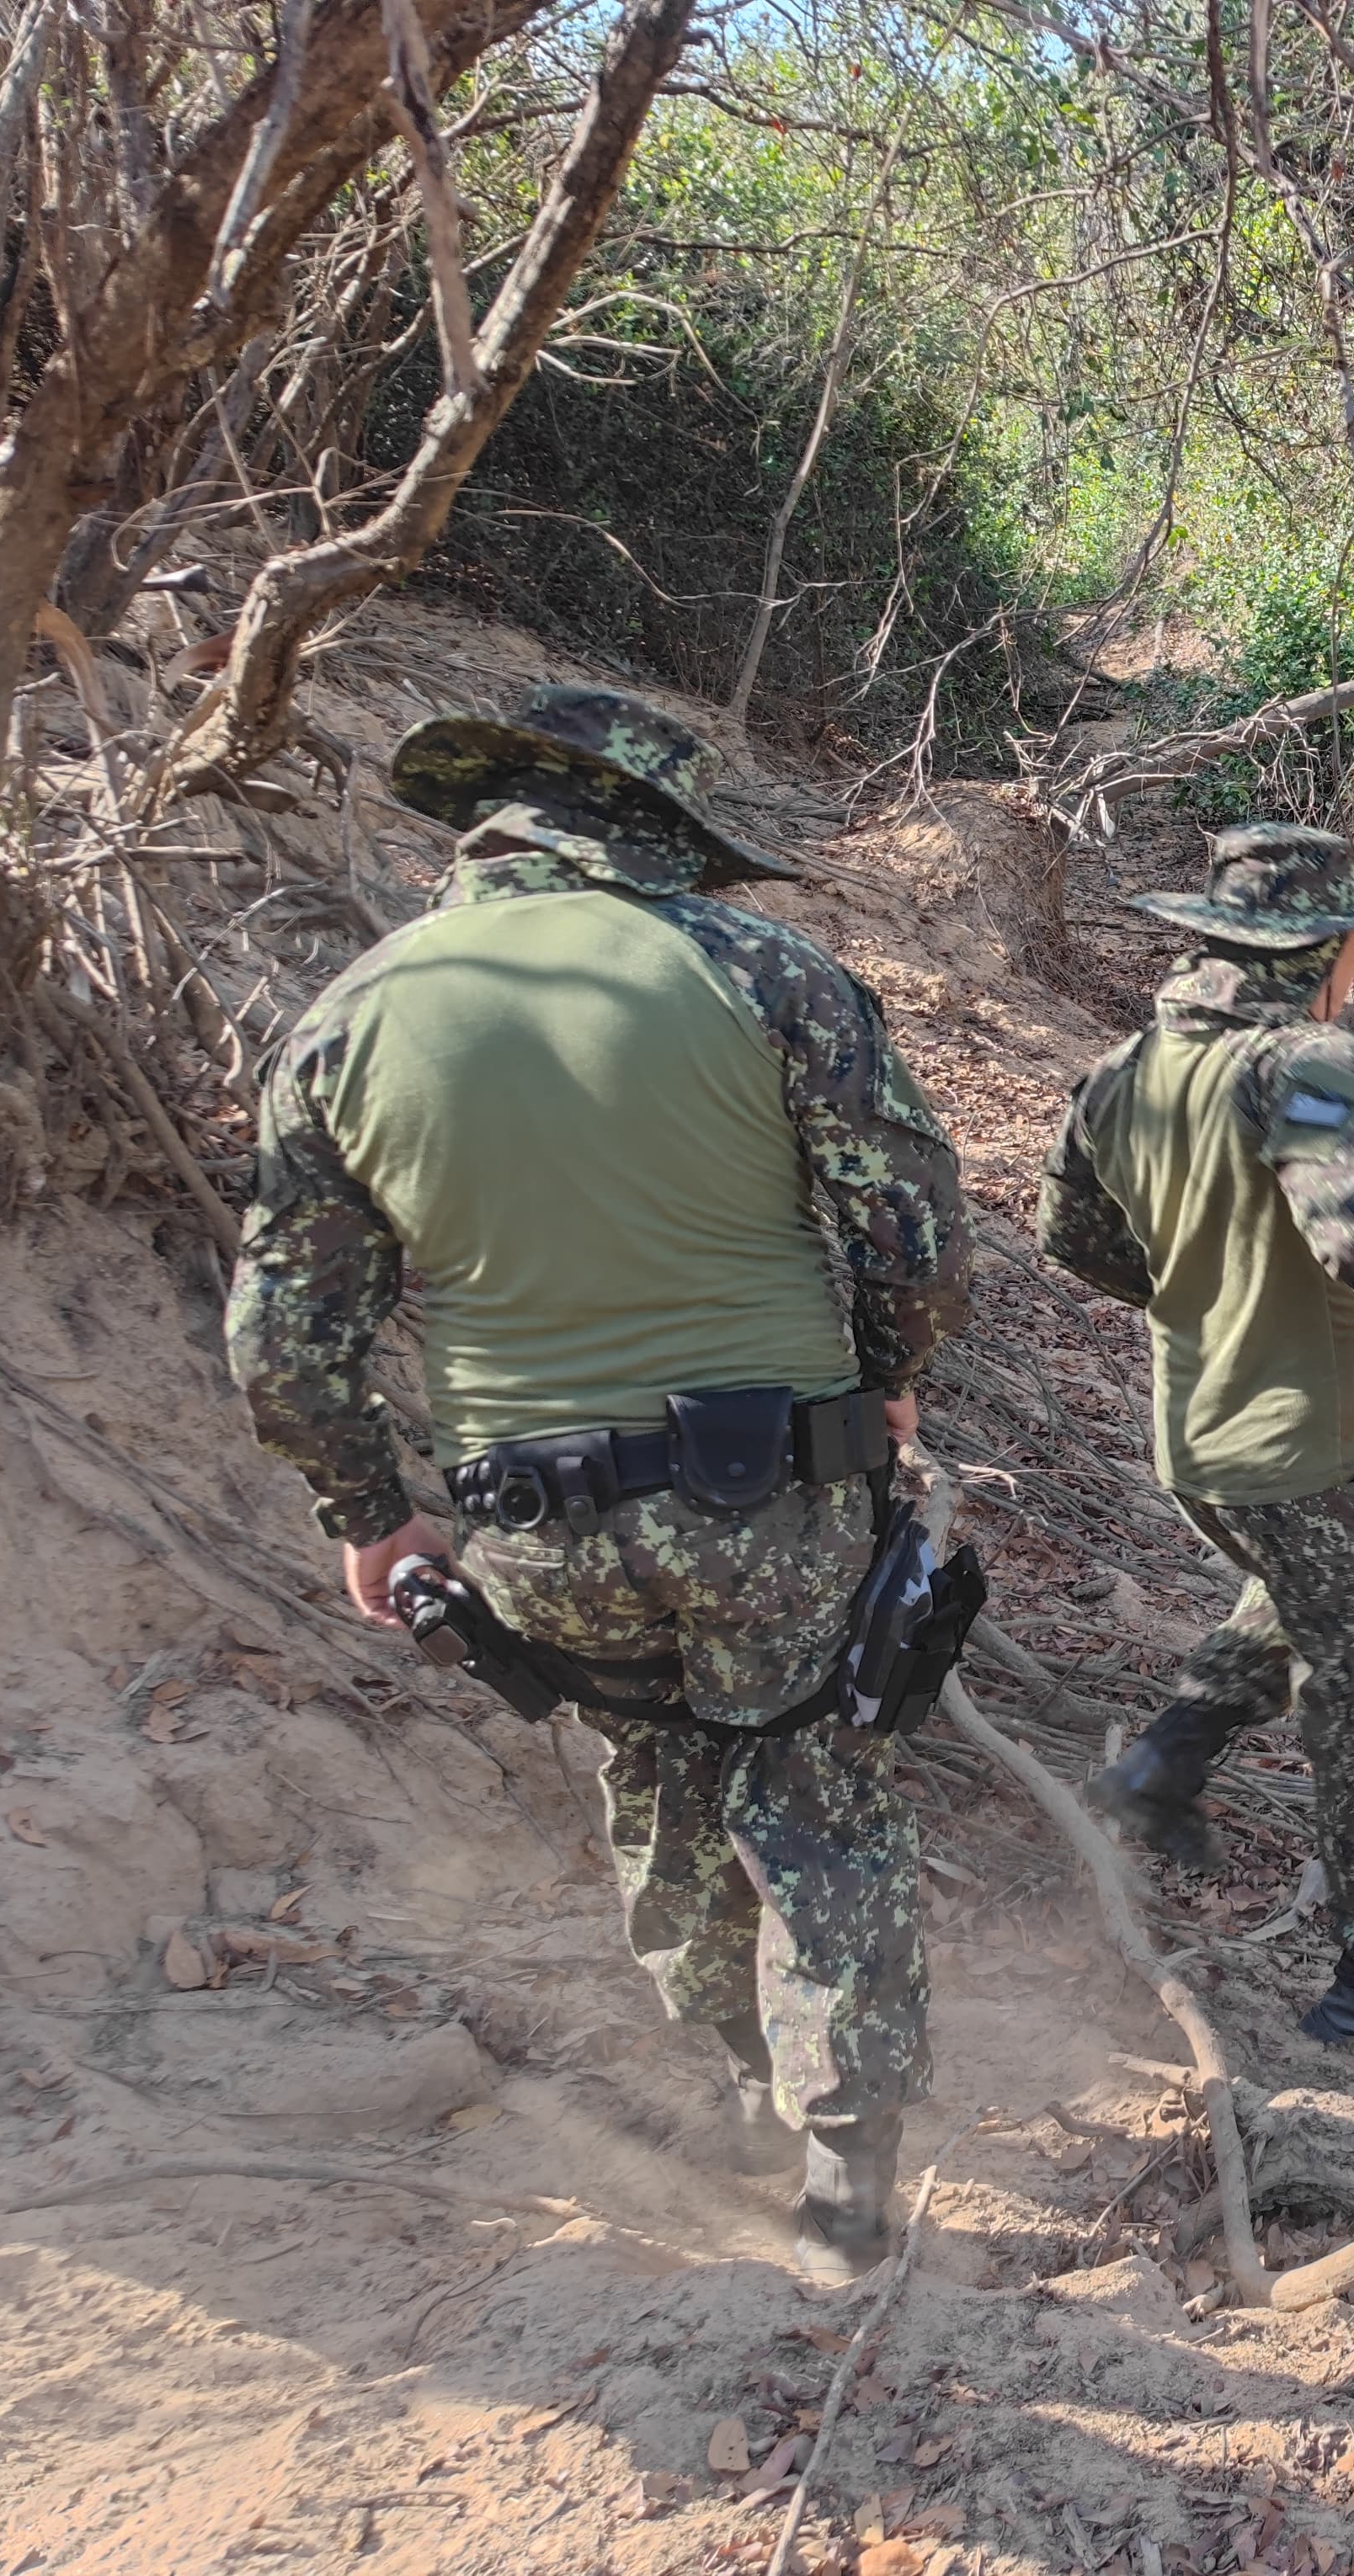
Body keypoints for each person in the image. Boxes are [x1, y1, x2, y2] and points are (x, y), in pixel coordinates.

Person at [226, 685, 973, 2280]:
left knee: (659, 1782)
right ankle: (846, 2178)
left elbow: (283, 1339)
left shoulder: (345, 1019)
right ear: (652, 838)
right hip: (769, 1486)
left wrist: (372, 1514)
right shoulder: (759, 973)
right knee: (808, 1787)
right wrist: (894, 1376)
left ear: (486, 831)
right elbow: (912, 1231)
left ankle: (743, 2091)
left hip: (531, 1515)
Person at [1037, 824, 1354, 2078]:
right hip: (1311, 1445)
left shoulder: (1123, 1069)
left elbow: (1074, 1236)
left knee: (1317, 1590)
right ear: (1323, 954)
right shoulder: (1305, 1058)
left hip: (1203, 1435)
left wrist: (1209, 1291)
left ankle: (1165, 1759)